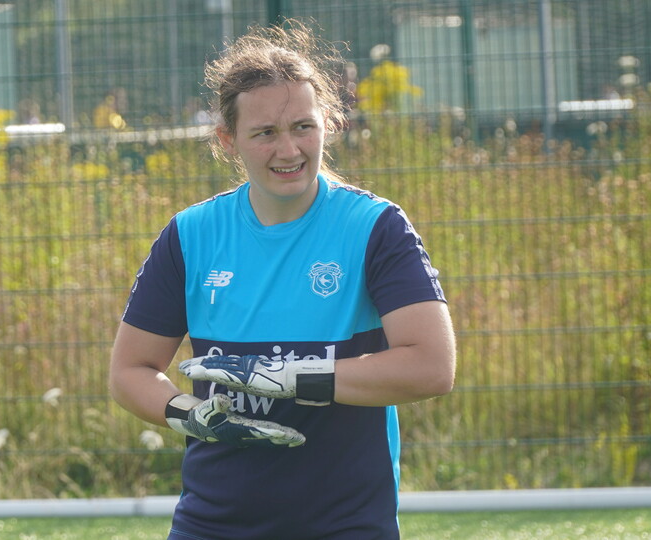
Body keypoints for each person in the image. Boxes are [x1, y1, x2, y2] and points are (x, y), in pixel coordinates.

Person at [109, 19, 456, 540]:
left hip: (346, 524)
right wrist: (192, 415)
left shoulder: (375, 228)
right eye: (265, 133)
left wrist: (294, 377)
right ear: (228, 140)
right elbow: (130, 371)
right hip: (212, 524)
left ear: (330, 122)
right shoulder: (190, 234)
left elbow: (432, 366)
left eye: (302, 127)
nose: (289, 150)